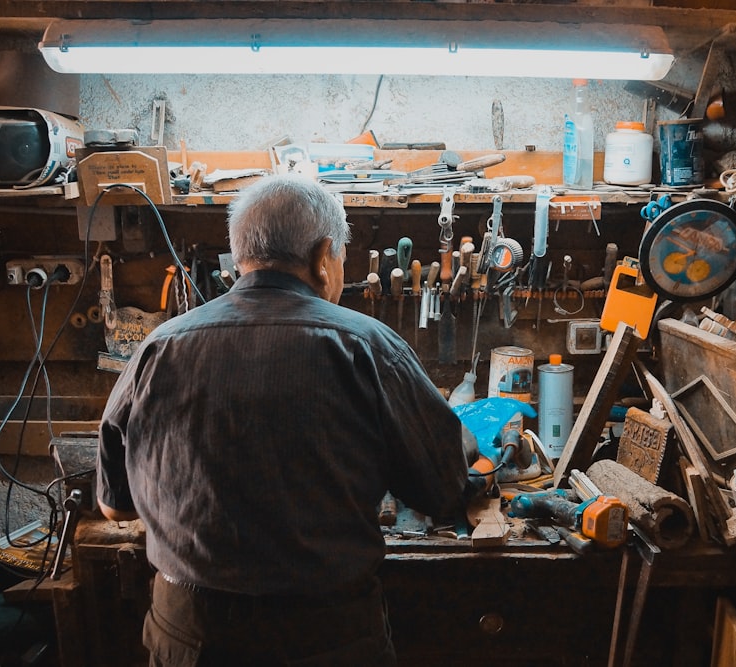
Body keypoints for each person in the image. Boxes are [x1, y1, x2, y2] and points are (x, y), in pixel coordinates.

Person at [97, 174, 476, 667]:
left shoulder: (158, 348)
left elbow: (115, 508)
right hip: (325, 641)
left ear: (238, 260)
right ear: (323, 258)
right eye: (341, 258)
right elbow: (443, 490)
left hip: (190, 640)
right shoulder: (367, 345)